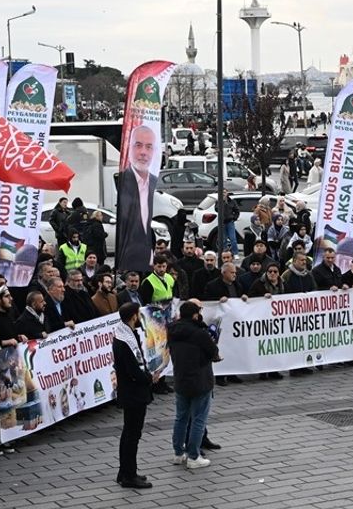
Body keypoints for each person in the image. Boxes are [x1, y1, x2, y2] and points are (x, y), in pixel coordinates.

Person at [168, 301, 219, 470]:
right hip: (200, 380)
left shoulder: (173, 330)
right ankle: (193, 456)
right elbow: (213, 351)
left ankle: (177, 453)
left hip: (181, 378)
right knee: (198, 419)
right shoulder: (199, 333)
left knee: (181, 417)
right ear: (195, 315)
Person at [112, 302, 156, 489]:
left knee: (129, 433)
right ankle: (129, 476)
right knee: (132, 434)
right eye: (138, 315)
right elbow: (133, 370)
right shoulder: (125, 341)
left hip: (131, 391)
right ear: (133, 317)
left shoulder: (125, 334)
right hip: (134, 393)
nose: (140, 318)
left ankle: (126, 471)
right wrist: (149, 378)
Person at [116, 125, 158, 274]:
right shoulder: (121, 181)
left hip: (146, 260)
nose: (143, 153)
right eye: (138, 145)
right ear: (129, 147)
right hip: (128, 260)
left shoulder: (154, 182)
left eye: (149, 147)